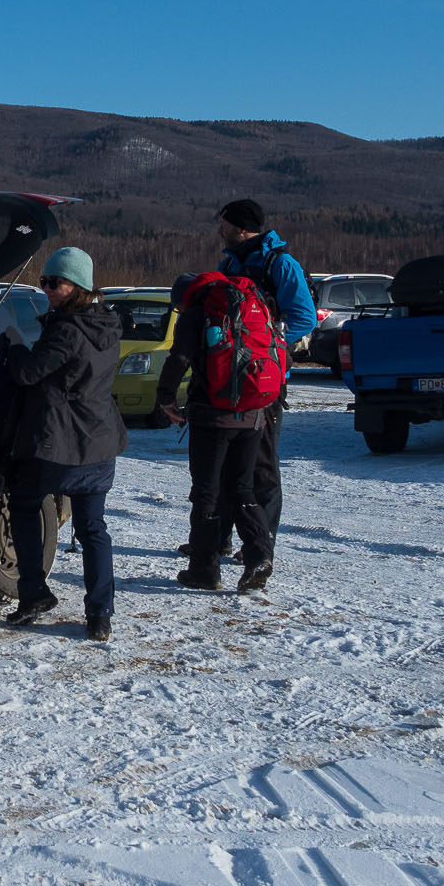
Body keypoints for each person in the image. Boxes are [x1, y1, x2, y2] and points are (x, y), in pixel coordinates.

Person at [0, 246, 125, 642]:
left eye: (56, 283)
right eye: (44, 282)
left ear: (79, 287)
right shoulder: (105, 325)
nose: (48, 289)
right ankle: (100, 614)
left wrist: (13, 347)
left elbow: (28, 373)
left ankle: (33, 591)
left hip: (61, 443)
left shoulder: (67, 331)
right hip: (100, 442)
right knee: (93, 529)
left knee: (23, 503)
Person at [193, 199, 316, 557]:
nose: (220, 229)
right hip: (227, 378)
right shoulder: (230, 263)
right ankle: (219, 538)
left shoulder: (281, 264)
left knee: (260, 465)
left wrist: (265, 344)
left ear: (241, 227)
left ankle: (261, 543)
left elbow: (304, 317)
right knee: (224, 463)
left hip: (263, 380)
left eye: (224, 223)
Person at [157, 273, 275, 592]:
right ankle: (259, 556)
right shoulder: (248, 305)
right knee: (241, 489)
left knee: (206, 493)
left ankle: (205, 570)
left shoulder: (196, 314)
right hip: (253, 415)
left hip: (212, 418)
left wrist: (166, 399)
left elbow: (179, 358)